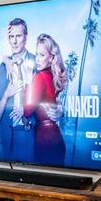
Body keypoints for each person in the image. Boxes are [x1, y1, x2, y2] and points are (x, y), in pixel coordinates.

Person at [0, 18, 35, 162]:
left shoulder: (36, 62)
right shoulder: (3, 65)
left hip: (29, 132)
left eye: (18, 36)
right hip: (7, 134)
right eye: (11, 37)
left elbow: (43, 99)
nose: (14, 41)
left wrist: (27, 109)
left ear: (25, 37)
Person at [23, 34, 68, 167]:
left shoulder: (39, 76)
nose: (37, 59)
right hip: (57, 138)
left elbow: (26, 110)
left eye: (42, 55)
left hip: (44, 140)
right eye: (37, 54)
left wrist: (27, 82)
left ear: (51, 57)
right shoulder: (53, 76)